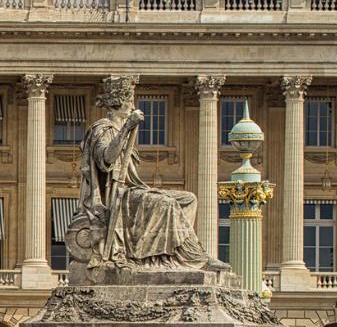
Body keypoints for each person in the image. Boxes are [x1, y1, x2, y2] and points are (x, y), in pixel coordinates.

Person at [77, 77, 229, 273]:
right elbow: (106, 158)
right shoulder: (103, 128)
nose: (132, 106)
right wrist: (126, 128)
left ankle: (177, 254)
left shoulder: (119, 127)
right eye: (129, 101)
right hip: (117, 195)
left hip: (133, 190)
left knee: (189, 199)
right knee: (167, 204)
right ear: (118, 102)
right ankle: (196, 258)